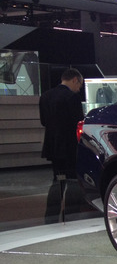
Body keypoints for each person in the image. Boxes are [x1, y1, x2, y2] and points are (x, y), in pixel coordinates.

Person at [39, 68, 84, 223]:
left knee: (57, 180)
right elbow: (78, 123)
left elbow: (43, 121)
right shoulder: (72, 97)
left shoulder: (45, 96)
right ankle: (71, 215)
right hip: (70, 147)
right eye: (79, 85)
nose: (79, 89)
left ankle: (51, 216)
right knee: (72, 180)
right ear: (75, 80)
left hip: (53, 146)